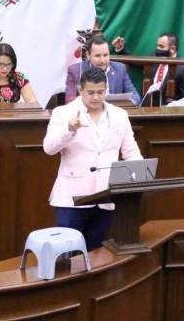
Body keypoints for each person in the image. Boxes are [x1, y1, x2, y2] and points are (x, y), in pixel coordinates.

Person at [43, 65, 142, 250]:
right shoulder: (63, 113)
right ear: (80, 90)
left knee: (97, 254)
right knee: (67, 253)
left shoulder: (119, 115)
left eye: (100, 92)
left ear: (107, 89)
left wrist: (140, 173)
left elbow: (131, 151)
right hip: (72, 198)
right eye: (90, 92)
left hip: (106, 196)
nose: (96, 97)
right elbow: (49, 148)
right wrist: (69, 130)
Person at [113, 32, 184, 102]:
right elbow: (136, 62)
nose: (157, 49)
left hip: (167, 111)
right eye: (157, 46)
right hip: (146, 105)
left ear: (172, 49)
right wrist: (121, 49)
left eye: (161, 47)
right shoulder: (154, 56)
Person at [65, 36, 140, 105]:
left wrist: (119, 108)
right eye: (97, 56)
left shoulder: (120, 69)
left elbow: (136, 97)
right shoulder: (75, 71)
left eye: (105, 55)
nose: (102, 60)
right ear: (88, 55)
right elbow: (70, 101)